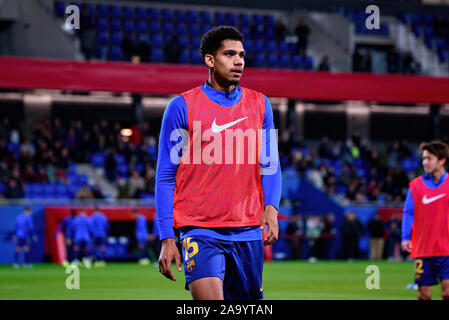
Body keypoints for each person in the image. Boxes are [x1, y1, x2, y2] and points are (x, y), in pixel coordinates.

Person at [155, 26, 282, 300]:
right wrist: (167, 237)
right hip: (200, 230)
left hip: (248, 231)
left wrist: (271, 208)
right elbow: (166, 176)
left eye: (242, 55)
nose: (239, 61)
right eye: (229, 54)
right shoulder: (181, 107)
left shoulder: (260, 105)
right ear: (210, 60)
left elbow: (270, 165)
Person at [401, 141, 449, 300]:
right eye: (423, 158)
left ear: (442, 160)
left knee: (447, 292)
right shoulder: (415, 186)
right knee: (424, 295)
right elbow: (408, 213)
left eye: (429, 158)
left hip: (447, 249)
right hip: (423, 249)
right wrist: (406, 237)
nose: (425, 162)